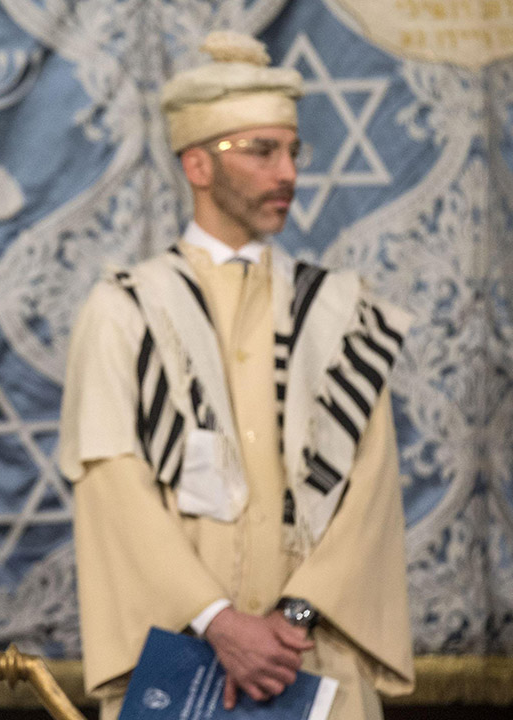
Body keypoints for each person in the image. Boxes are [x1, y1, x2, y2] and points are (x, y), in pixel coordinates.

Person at [59, 31, 415, 720]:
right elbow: (111, 485)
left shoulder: (343, 311)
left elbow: (369, 487)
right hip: (182, 656)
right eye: (261, 151)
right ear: (198, 164)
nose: (287, 173)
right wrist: (218, 619)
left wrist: (293, 618)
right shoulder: (126, 308)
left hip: (311, 656)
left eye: (292, 151)